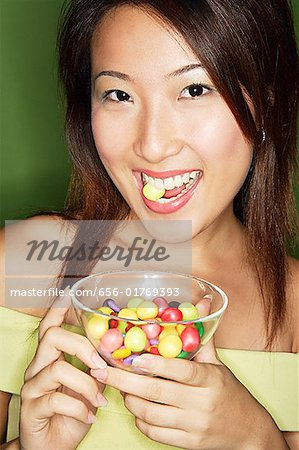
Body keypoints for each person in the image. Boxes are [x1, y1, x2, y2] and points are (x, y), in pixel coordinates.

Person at [0, 0, 298, 448]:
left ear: (266, 103)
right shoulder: (29, 259)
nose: (153, 145)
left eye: (195, 90)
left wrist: (255, 439)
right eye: (119, 95)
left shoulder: (295, 306)